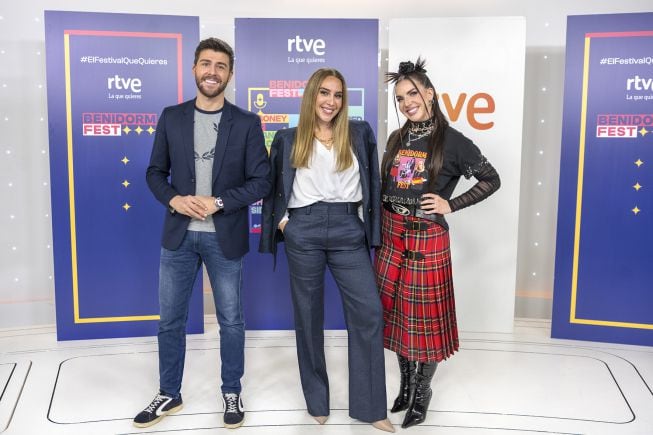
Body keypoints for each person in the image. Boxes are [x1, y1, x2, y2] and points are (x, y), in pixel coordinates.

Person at [134, 37, 271, 429]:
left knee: (231, 321)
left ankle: (231, 391)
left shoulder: (246, 123)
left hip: (223, 236)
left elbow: (261, 181)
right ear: (194, 68)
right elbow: (154, 173)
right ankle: (169, 393)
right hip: (178, 236)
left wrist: (220, 202)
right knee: (170, 321)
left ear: (229, 74)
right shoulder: (171, 116)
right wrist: (175, 200)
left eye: (221, 66)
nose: (212, 71)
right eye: (206, 64)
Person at [259, 68, 394, 433]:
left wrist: (369, 229)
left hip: (349, 226)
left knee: (368, 313)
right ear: (311, 97)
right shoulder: (288, 138)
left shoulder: (360, 132)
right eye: (323, 93)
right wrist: (286, 223)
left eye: (337, 95)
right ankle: (317, 402)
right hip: (304, 227)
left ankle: (370, 408)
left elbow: (374, 183)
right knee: (308, 316)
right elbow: (274, 189)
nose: (330, 101)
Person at [376, 58, 500, 429]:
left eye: (412, 93)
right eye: (400, 98)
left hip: (425, 237)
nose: (406, 102)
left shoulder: (455, 141)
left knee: (424, 325)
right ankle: (405, 386)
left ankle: (422, 392)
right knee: (396, 318)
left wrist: (451, 204)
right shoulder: (397, 138)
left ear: (429, 93)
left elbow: (491, 179)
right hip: (389, 235)